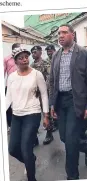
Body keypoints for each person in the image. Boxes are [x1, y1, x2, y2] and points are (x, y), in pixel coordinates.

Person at [49, 23, 87, 180]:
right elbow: (52, 82)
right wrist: (52, 104)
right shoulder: (56, 55)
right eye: (58, 34)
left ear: (72, 34)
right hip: (60, 102)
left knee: (70, 141)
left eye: (63, 32)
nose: (60, 36)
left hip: (76, 102)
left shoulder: (84, 54)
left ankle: (72, 176)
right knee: (64, 137)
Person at [6, 47, 49, 181]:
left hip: (32, 114)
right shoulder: (12, 77)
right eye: (21, 58)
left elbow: (44, 94)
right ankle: (30, 160)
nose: (25, 59)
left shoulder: (36, 74)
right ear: (15, 61)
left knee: (26, 149)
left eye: (26, 57)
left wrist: (46, 115)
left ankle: (32, 177)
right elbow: (8, 97)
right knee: (13, 149)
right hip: (16, 115)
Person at [30, 45, 54, 145]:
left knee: (46, 113)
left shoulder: (45, 63)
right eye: (32, 53)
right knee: (33, 115)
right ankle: (34, 137)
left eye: (35, 52)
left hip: (44, 93)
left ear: (40, 52)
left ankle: (49, 133)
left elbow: (49, 77)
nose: (33, 54)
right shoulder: (31, 65)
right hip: (34, 94)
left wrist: (45, 90)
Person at [4, 43, 20, 132]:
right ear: (13, 49)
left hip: (21, 84)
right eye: (17, 49)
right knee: (8, 106)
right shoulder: (6, 59)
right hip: (10, 85)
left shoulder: (22, 57)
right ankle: (10, 125)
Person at [45, 44, 58, 132]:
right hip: (49, 86)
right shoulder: (45, 61)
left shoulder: (58, 58)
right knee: (51, 104)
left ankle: (58, 121)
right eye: (48, 52)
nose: (49, 53)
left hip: (58, 85)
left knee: (57, 103)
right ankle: (54, 123)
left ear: (54, 50)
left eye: (50, 51)